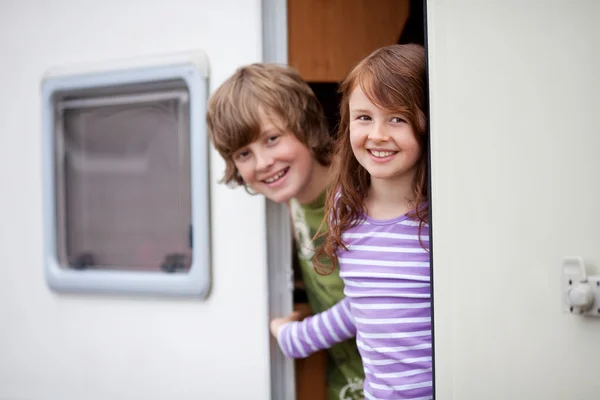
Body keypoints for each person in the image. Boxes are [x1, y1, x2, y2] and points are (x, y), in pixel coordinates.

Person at [270, 44, 431, 400]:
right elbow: (364, 303)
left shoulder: (439, 219)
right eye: (364, 117)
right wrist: (298, 338)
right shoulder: (347, 210)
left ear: (427, 124)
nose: (377, 134)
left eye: (397, 118)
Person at [206, 63, 365, 399]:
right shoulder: (291, 199)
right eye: (244, 153)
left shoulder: (353, 196)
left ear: (305, 127)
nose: (263, 162)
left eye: (272, 139)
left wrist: (300, 337)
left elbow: (376, 299)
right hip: (346, 386)